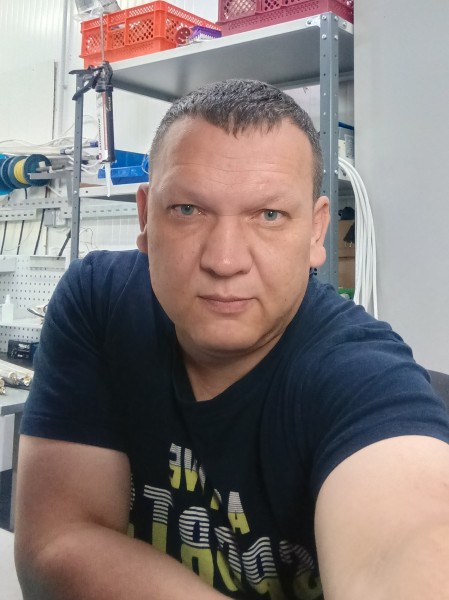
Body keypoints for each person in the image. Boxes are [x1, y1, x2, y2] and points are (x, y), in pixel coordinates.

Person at [14, 79, 449, 600]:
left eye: (269, 215)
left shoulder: (362, 377)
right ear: (145, 218)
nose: (224, 260)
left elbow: (409, 539)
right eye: (188, 210)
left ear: (316, 232)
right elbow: (56, 543)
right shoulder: (101, 304)